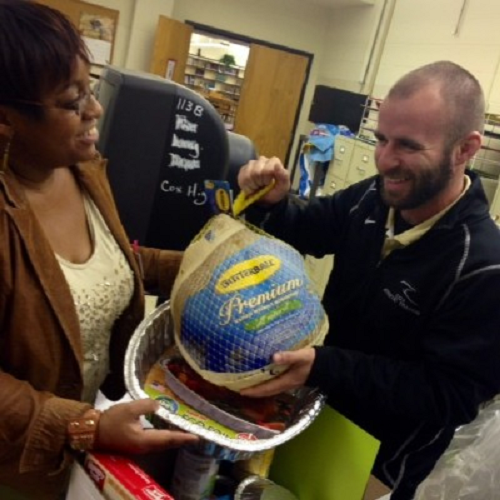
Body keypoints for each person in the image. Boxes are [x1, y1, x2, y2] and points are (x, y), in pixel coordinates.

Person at [238, 61, 500, 499]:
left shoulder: (484, 268)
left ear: (465, 148)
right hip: (314, 409)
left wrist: (327, 364)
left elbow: (447, 395)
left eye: (408, 146)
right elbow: (312, 228)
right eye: (381, 139)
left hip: (377, 463)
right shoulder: (372, 197)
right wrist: (275, 203)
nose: (384, 160)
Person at [0, 2, 198, 499]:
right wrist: (84, 425)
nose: (95, 109)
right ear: (7, 119)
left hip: (72, 461)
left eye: (92, 87)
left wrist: (212, 267)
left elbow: (118, 264)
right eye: (72, 100)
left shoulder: (81, 172)